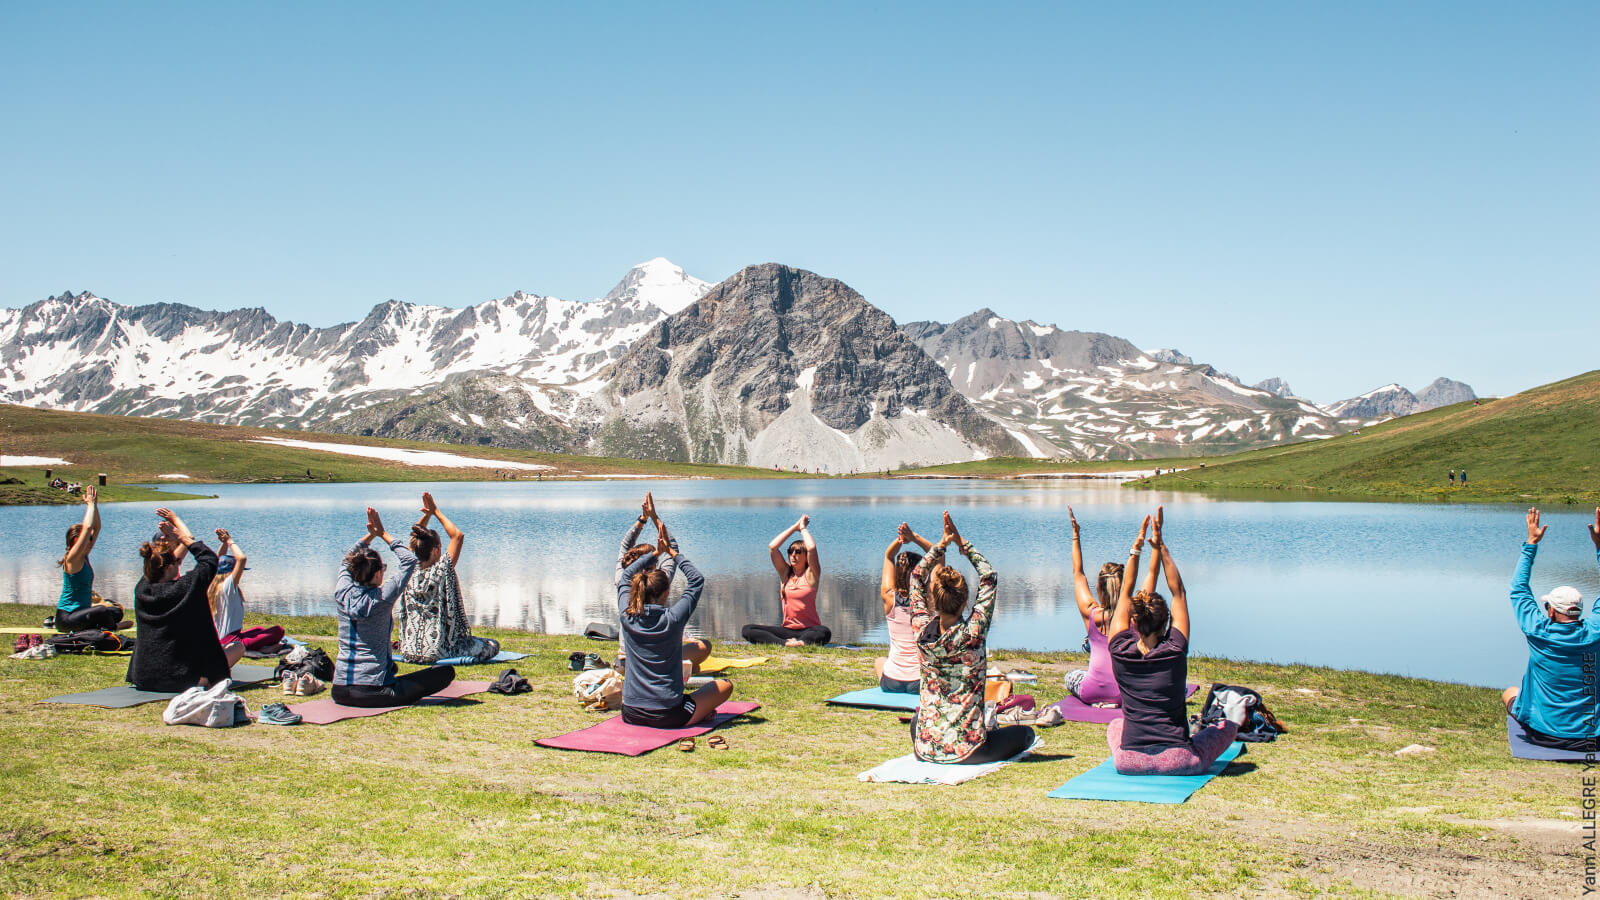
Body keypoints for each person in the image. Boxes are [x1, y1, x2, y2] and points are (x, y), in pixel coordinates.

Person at [1105, 508, 1246, 776]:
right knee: (1227, 726)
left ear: (1133, 622)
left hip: (1128, 763)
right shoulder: (1175, 649)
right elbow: (1178, 591)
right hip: (1180, 761)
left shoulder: (1119, 649)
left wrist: (1135, 552)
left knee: (1115, 726)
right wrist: (1161, 547)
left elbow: (1124, 593)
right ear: (1166, 622)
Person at [909, 511, 1035, 764]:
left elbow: (915, 578)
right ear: (966, 601)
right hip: (969, 750)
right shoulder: (973, 633)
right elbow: (989, 576)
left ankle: (934, 743)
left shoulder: (921, 631)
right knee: (1027, 734)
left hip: (926, 748)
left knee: (916, 720)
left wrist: (941, 545)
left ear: (933, 600)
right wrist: (961, 542)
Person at [617, 515, 732, 728]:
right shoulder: (673, 619)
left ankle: (697, 709)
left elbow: (625, 578)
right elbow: (696, 580)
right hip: (668, 714)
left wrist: (654, 554)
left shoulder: (627, 617)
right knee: (725, 685)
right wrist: (672, 554)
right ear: (667, 592)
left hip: (630, 712)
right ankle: (698, 711)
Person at [333, 507, 455, 707]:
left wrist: (369, 536)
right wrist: (382, 534)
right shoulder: (381, 598)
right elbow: (408, 561)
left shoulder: (342, 592)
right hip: (373, 690)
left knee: (393, 667)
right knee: (445, 673)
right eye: (383, 569)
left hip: (339, 689)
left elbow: (346, 560)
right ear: (378, 574)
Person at [1500, 508, 1600, 749]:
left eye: (1547, 606)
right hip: (1592, 738)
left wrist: (1531, 543)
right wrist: (1599, 547)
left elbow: (1518, 588)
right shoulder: (1595, 632)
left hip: (1543, 734)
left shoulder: (1538, 631)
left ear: (1551, 611)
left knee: (1510, 692)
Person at [127, 508, 245, 691]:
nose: (179, 563)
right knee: (237, 648)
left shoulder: (141, 589)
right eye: (176, 562)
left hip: (144, 677)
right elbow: (209, 560)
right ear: (168, 568)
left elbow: (159, 563)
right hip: (180, 679)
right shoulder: (186, 588)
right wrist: (182, 536)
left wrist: (176, 536)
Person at [396, 492, 500, 664]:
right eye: (440, 546)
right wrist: (435, 511)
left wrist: (426, 516)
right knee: (491, 645)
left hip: (409, 649)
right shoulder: (440, 571)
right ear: (436, 550)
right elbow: (457, 536)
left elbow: (413, 538)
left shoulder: (409, 569)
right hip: (438, 651)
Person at [615, 493, 711, 676]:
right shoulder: (661, 579)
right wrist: (653, 517)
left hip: (625, 664)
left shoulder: (623, 582)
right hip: (658, 663)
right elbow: (673, 546)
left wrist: (642, 520)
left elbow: (624, 546)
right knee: (703, 647)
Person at [1062, 506, 1125, 706]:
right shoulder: (1133, 616)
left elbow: (1078, 573)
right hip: (1124, 694)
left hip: (1090, 692)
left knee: (1071, 676)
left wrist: (1075, 536)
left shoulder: (1091, 614)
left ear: (1099, 586)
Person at [742, 515, 831, 646]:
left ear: (805, 556)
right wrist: (794, 527)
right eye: (790, 551)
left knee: (824, 632)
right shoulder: (785, 574)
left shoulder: (812, 574)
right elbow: (772, 547)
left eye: (798, 551)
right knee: (747, 630)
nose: (793, 555)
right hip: (787, 631)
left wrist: (803, 529)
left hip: (810, 629)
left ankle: (802, 642)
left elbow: (811, 548)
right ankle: (785, 643)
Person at [54, 486, 127, 632]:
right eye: (88, 539)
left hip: (81, 614)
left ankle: (105, 625)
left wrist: (94, 505)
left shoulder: (84, 555)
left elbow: (96, 528)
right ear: (76, 540)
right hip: (67, 618)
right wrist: (91, 505)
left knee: (116, 612)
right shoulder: (72, 559)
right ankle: (112, 628)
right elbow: (87, 528)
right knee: (102, 611)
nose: (91, 540)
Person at [875, 522, 931, 693]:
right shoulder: (928, 600)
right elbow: (938, 554)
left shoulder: (889, 597)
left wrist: (900, 540)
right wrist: (914, 537)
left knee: (879, 661)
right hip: (919, 681)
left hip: (891, 681)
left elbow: (888, 556)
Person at [209, 528, 285, 651]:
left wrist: (223, 543)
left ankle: (262, 646)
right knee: (278, 631)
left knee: (259, 629)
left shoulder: (213, 584)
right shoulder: (228, 586)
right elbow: (242, 559)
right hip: (232, 641)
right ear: (230, 572)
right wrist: (229, 541)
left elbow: (219, 559)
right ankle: (264, 649)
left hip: (221, 638)